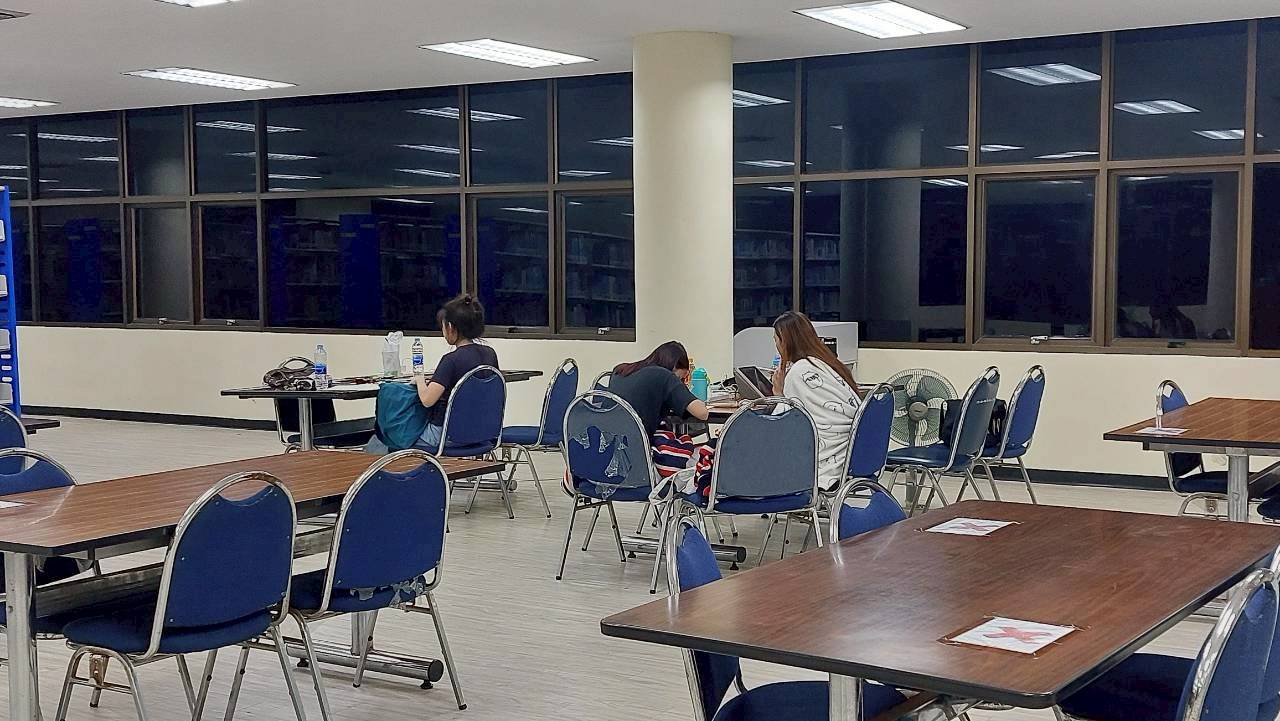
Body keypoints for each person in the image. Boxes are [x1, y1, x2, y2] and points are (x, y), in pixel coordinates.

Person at [771, 311, 862, 493]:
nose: (776, 346)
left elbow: (782, 424)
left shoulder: (799, 372)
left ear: (786, 342)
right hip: (850, 454)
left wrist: (779, 394)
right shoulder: (827, 364)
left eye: (776, 340)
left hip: (825, 461)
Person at [412, 294, 499, 450]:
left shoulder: (451, 360)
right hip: (482, 432)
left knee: (384, 439)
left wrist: (419, 379)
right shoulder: (490, 354)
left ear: (451, 327)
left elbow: (427, 400)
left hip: (446, 435)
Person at [607, 341, 710, 435]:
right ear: (674, 367)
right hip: (639, 442)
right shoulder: (664, 375)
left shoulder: (621, 370)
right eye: (680, 379)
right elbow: (702, 413)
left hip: (609, 439)